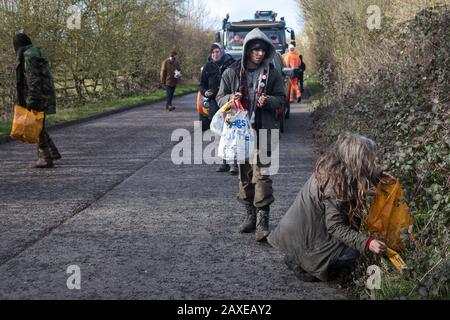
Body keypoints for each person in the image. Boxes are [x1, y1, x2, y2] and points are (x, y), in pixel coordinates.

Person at [267, 133, 389, 282]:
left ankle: (299, 258)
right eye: (367, 159)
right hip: (305, 239)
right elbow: (335, 227)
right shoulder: (334, 185)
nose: (370, 162)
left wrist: (376, 176)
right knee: (353, 255)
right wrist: (368, 242)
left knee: (352, 243)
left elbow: (358, 174)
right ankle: (304, 264)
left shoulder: (334, 168)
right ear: (356, 160)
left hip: (300, 234)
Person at [217, 28, 285, 242]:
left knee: (263, 175)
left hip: (265, 131)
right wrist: (231, 98)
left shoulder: (272, 73)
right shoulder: (231, 72)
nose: (259, 53)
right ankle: (250, 215)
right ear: (247, 50)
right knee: (245, 175)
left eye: (263, 50)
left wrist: (270, 101)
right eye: (255, 49)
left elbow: (282, 99)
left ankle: (262, 223)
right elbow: (219, 99)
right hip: (240, 133)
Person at [13, 33, 60, 168]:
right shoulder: (37, 52)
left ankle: (45, 158)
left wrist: (31, 100)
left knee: (37, 126)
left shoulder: (28, 56)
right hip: (45, 94)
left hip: (37, 96)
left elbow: (33, 80)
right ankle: (52, 152)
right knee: (39, 125)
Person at [199, 43, 238, 174]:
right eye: (213, 52)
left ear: (222, 51)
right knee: (219, 135)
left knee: (232, 133)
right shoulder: (208, 67)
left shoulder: (232, 64)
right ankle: (223, 163)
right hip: (214, 104)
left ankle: (234, 164)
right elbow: (202, 84)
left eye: (217, 51)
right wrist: (205, 92)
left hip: (230, 103)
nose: (215, 54)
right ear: (211, 54)